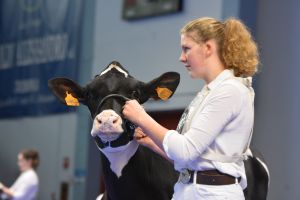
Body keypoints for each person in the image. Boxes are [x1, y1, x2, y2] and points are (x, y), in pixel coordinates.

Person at [123, 17, 258, 199]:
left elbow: (185, 151)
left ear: (208, 48)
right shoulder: (210, 91)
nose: (181, 57)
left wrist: (142, 117)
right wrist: (153, 143)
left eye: (187, 48)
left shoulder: (229, 91)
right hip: (194, 191)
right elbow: (192, 159)